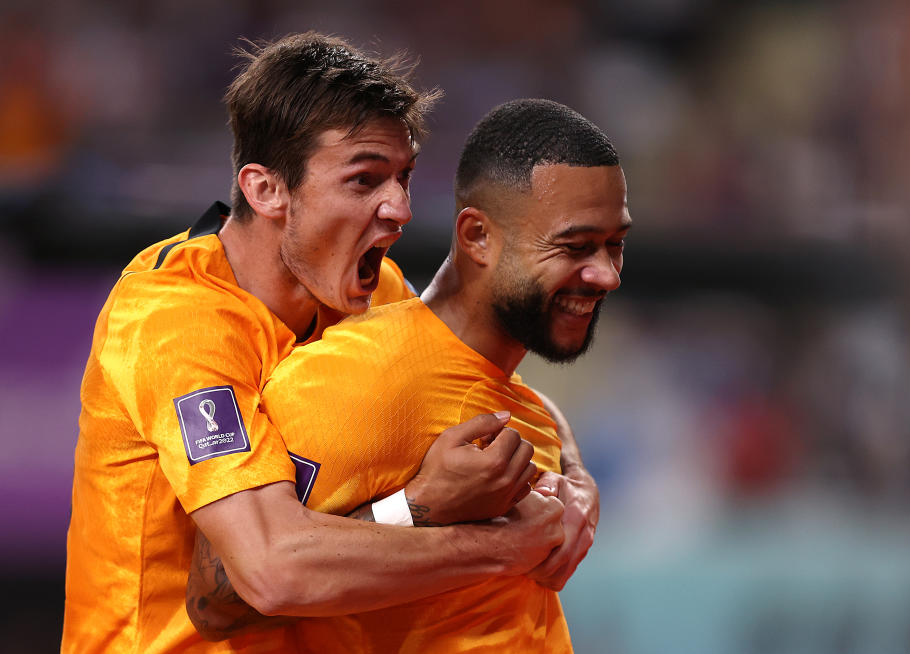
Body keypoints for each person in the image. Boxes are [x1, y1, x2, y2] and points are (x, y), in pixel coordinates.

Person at [63, 33, 598, 653]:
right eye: (364, 179)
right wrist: (461, 525)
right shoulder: (175, 321)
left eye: (403, 177)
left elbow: (494, 388)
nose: (399, 208)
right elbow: (269, 569)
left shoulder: (375, 289)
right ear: (266, 191)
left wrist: (575, 478)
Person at [186, 98, 630, 652]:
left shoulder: (487, 379)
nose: (606, 275)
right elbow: (220, 596)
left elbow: (503, 396)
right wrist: (419, 510)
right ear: (477, 238)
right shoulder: (358, 378)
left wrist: (578, 478)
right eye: (575, 246)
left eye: (616, 244)